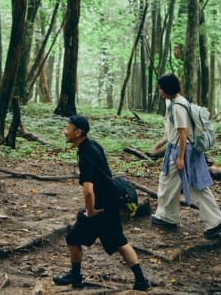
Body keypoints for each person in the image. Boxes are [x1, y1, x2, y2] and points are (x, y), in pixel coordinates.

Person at [53, 115, 151, 291]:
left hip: (100, 207)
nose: (64, 131)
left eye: (67, 128)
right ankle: (141, 281)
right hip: (111, 202)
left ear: (78, 132)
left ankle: (75, 277)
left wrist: (90, 212)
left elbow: (88, 190)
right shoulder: (93, 145)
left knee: (73, 238)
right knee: (120, 242)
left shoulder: (85, 155)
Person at [150, 73, 221, 239]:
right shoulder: (178, 102)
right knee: (171, 183)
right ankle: (168, 216)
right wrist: (159, 144)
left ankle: (215, 222)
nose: (159, 91)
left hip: (181, 151)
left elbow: (183, 132)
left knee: (193, 186)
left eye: (161, 88)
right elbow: (173, 131)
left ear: (167, 88)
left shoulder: (178, 106)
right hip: (179, 149)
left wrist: (180, 158)